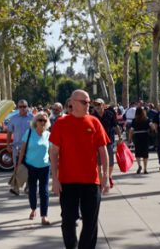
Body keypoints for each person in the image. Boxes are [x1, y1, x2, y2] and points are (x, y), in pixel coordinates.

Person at [50, 90, 110, 249]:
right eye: (85, 102)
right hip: (67, 182)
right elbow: (53, 152)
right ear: (73, 103)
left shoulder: (95, 122)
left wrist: (105, 177)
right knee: (68, 221)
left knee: (91, 222)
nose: (88, 105)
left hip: (91, 181)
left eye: (89, 102)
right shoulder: (61, 124)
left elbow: (103, 152)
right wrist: (55, 180)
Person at [18, 111, 52, 225]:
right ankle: (33, 209)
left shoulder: (48, 135)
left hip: (45, 167)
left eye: (44, 120)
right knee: (32, 190)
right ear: (35, 121)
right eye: (40, 120)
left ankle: (44, 216)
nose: (42, 122)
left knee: (44, 192)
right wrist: (18, 165)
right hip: (30, 167)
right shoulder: (29, 133)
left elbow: (51, 152)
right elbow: (22, 150)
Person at [5, 100, 35, 195]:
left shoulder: (32, 118)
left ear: (27, 107)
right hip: (16, 147)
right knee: (17, 167)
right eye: (20, 106)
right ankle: (16, 188)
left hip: (29, 147)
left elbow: (36, 132)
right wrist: (8, 144)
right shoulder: (13, 118)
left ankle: (28, 187)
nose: (22, 108)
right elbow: (9, 132)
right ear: (18, 107)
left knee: (29, 168)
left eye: (24, 106)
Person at [93, 99, 120, 167]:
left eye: (98, 104)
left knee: (110, 161)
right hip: (97, 142)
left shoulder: (109, 114)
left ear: (103, 105)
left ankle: (109, 176)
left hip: (109, 140)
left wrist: (120, 137)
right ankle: (102, 177)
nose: (97, 106)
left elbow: (116, 126)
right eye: (95, 105)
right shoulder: (92, 116)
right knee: (98, 163)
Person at [129, 104, 152, 174]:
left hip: (137, 136)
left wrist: (130, 138)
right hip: (145, 136)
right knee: (145, 153)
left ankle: (139, 165)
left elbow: (131, 130)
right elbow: (152, 126)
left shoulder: (134, 120)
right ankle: (145, 169)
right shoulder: (147, 119)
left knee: (138, 152)